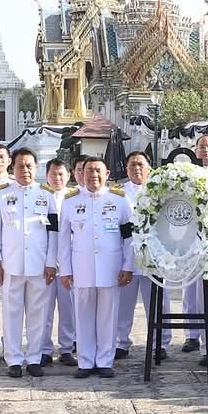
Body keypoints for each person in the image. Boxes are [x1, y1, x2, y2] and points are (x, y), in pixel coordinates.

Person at [59, 158, 134, 378]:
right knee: (82, 316)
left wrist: (128, 265)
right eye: (89, 170)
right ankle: (85, 362)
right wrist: (65, 269)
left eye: (98, 170)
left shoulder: (119, 200)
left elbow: (129, 236)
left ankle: (104, 361)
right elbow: (63, 239)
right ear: (81, 174)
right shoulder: (71, 201)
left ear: (107, 173)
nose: (93, 175)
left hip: (111, 267)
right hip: (81, 267)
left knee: (108, 317)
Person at [0, 151, 58, 377]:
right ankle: (13, 359)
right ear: (13, 168)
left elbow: (54, 233)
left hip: (39, 265)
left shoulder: (46, 195)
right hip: (11, 264)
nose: (25, 170)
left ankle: (34, 358)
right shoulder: (0, 195)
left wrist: (51, 262)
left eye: (29, 166)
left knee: (38, 314)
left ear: (36, 168)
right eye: (20, 166)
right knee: (11, 313)